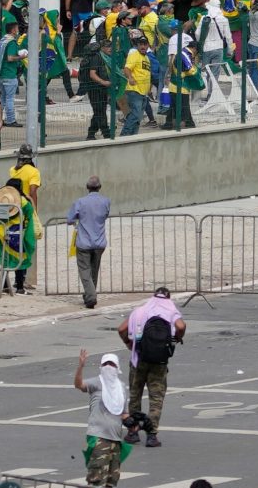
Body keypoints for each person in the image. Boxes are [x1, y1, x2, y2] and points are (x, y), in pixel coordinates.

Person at [120, 287, 185, 448]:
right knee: (156, 399)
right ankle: (151, 435)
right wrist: (177, 337)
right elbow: (181, 326)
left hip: (139, 359)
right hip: (159, 362)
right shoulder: (171, 311)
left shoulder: (140, 311)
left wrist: (128, 343)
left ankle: (133, 431)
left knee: (135, 395)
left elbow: (121, 329)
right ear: (169, 298)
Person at [72, 351, 132, 488]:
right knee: (95, 475)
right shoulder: (96, 383)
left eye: (112, 364)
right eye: (105, 364)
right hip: (98, 436)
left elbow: (124, 413)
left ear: (117, 368)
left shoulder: (121, 388)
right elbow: (78, 385)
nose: (108, 367)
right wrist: (81, 366)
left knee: (111, 478)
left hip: (115, 437)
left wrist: (134, 422)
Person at [63, 179, 111, 309]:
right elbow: (106, 215)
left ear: (87, 187)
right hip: (100, 241)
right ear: (100, 187)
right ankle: (89, 294)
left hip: (84, 241)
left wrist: (79, 219)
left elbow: (70, 219)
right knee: (94, 270)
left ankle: (90, 297)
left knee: (84, 270)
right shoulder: (106, 201)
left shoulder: (80, 202)